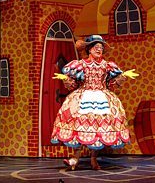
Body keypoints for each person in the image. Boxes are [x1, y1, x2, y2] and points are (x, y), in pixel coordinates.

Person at [51, 35, 138, 170]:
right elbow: (73, 85)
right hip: (83, 96)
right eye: (96, 47)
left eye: (101, 48)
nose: (99, 50)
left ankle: (93, 160)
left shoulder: (107, 66)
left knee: (98, 130)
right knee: (79, 127)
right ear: (89, 49)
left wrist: (123, 76)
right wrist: (66, 79)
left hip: (102, 98)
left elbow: (112, 84)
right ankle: (75, 159)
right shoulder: (80, 65)